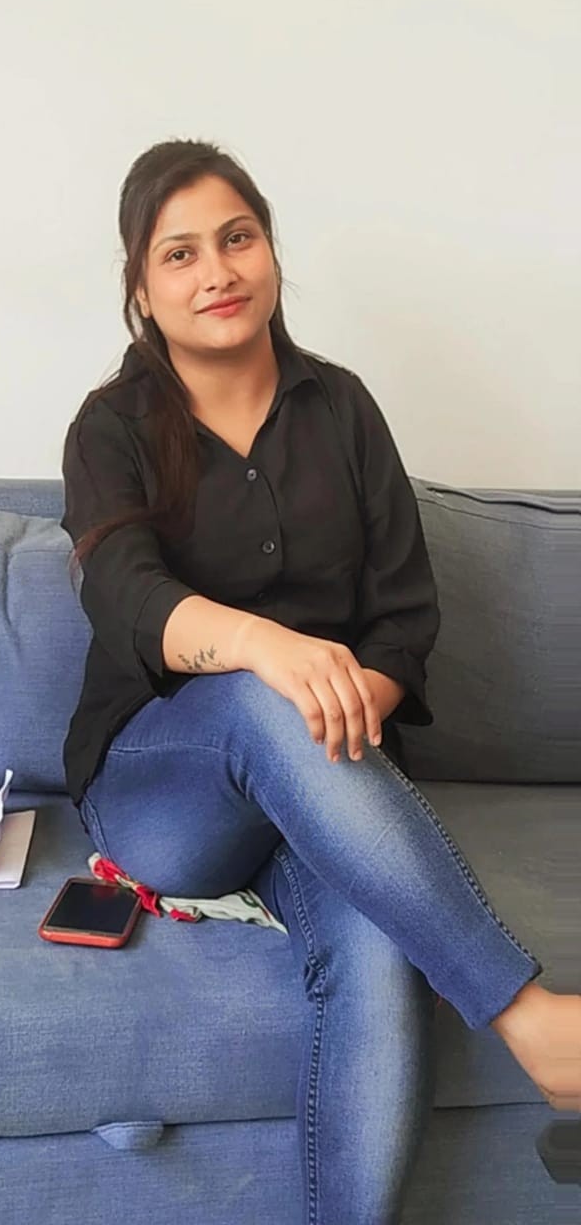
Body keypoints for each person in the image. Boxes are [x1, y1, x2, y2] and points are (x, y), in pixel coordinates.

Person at [60, 138, 581, 1222]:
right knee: (264, 698)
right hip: (168, 793)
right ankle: (529, 1017)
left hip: (327, 777)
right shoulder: (109, 429)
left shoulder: (342, 408)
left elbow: (403, 623)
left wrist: (341, 710)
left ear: (272, 251)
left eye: (238, 238)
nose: (218, 272)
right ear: (142, 289)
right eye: (180, 253)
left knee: (380, 946)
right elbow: (124, 593)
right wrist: (268, 651)